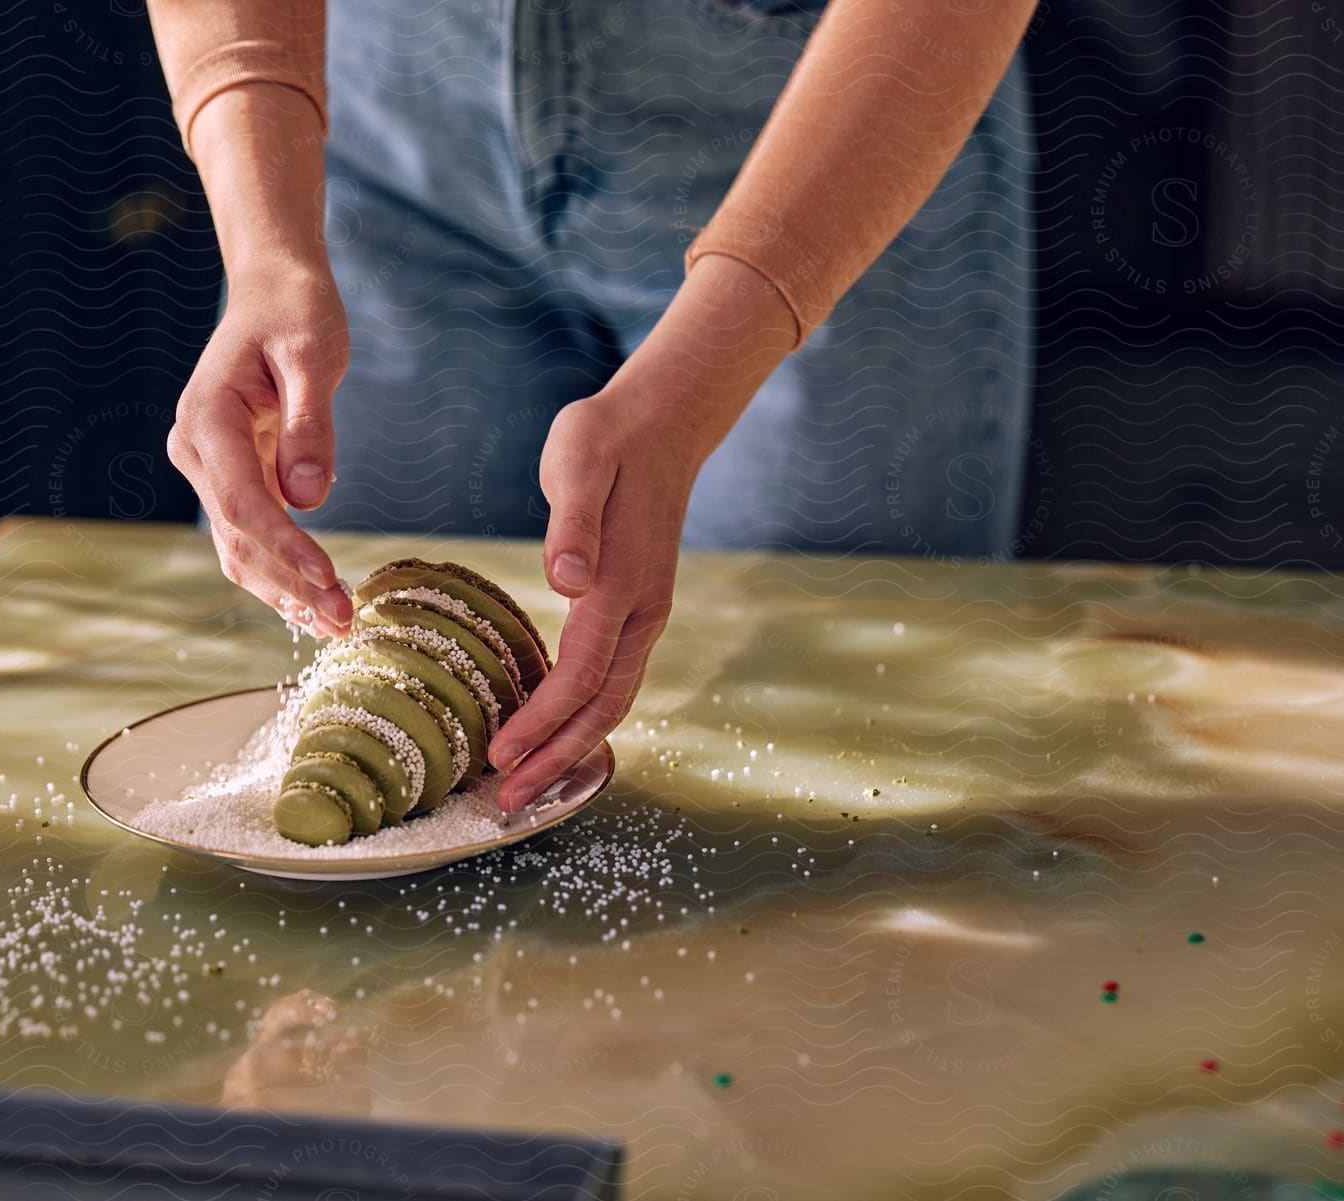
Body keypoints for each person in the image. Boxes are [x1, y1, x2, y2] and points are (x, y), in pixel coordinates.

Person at [146, 0, 1036, 813]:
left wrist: (690, 394)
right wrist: (268, 241)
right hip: (378, 107)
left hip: (833, 119)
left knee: (843, 748)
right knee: (281, 707)